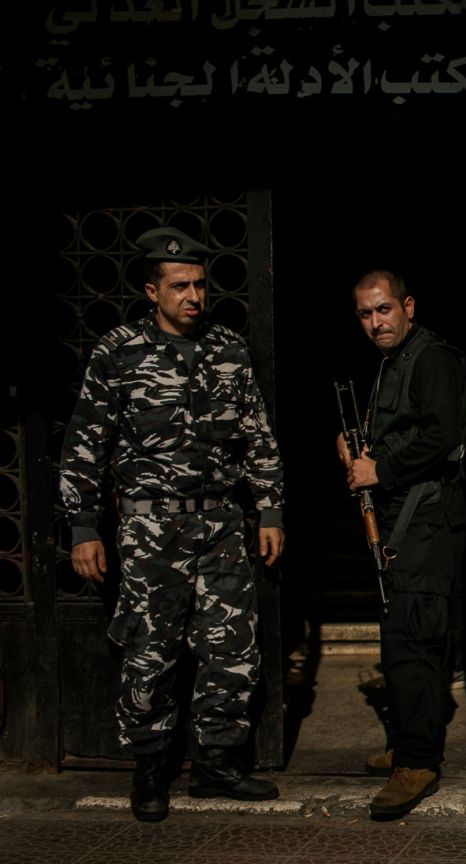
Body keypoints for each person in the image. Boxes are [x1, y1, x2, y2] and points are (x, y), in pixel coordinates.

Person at [58, 226, 285, 822]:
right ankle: (151, 768)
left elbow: (257, 433)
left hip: (222, 525)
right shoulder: (119, 351)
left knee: (232, 650)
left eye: (200, 285)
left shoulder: (228, 348)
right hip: (150, 529)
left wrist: (269, 508)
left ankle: (217, 767)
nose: (193, 295)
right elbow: (87, 441)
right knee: (149, 652)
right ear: (151, 291)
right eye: (179, 285)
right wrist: (82, 527)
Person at [337, 270, 466, 821]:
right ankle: (414, 740)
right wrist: (357, 445)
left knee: (410, 639)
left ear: (407, 306)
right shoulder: (395, 362)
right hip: (406, 523)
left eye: (384, 310)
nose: (376, 323)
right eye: (366, 314)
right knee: (413, 638)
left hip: (427, 523)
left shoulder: (431, 358)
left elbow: (441, 434)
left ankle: (416, 763)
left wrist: (379, 468)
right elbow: (402, 427)